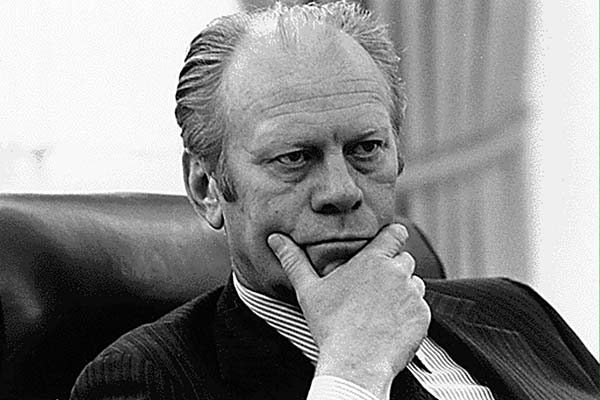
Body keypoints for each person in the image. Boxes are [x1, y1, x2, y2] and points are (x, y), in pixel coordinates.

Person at [70, 2, 598, 399]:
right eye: (294, 157)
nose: (342, 191)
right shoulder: (143, 378)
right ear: (207, 186)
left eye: (366, 149)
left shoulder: (514, 310)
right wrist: (353, 370)